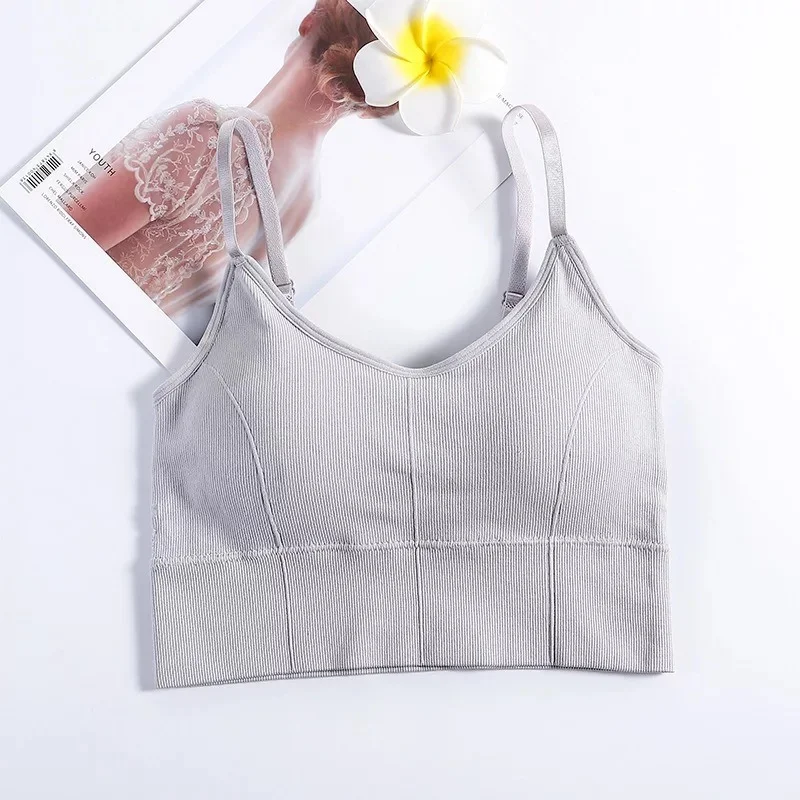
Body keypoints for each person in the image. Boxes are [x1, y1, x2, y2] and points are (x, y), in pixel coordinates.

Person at [66, 0, 396, 335]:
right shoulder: (305, 201)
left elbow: (57, 238)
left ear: (309, 20)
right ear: (374, 103)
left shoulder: (203, 134)